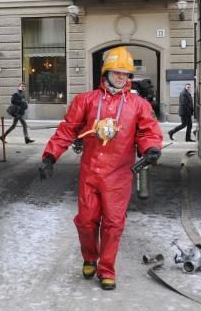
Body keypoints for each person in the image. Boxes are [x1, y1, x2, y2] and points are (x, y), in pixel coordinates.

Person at [37, 46, 162, 290]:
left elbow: (148, 132)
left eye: (125, 74)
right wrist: (50, 156)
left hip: (119, 175)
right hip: (90, 173)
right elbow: (67, 129)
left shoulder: (138, 105)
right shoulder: (86, 101)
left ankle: (107, 269)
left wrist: (150, 148)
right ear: (106, 73)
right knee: (86, 220)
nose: (120, 77)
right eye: (116, 72)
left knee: (114, 223)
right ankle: (89, 258)